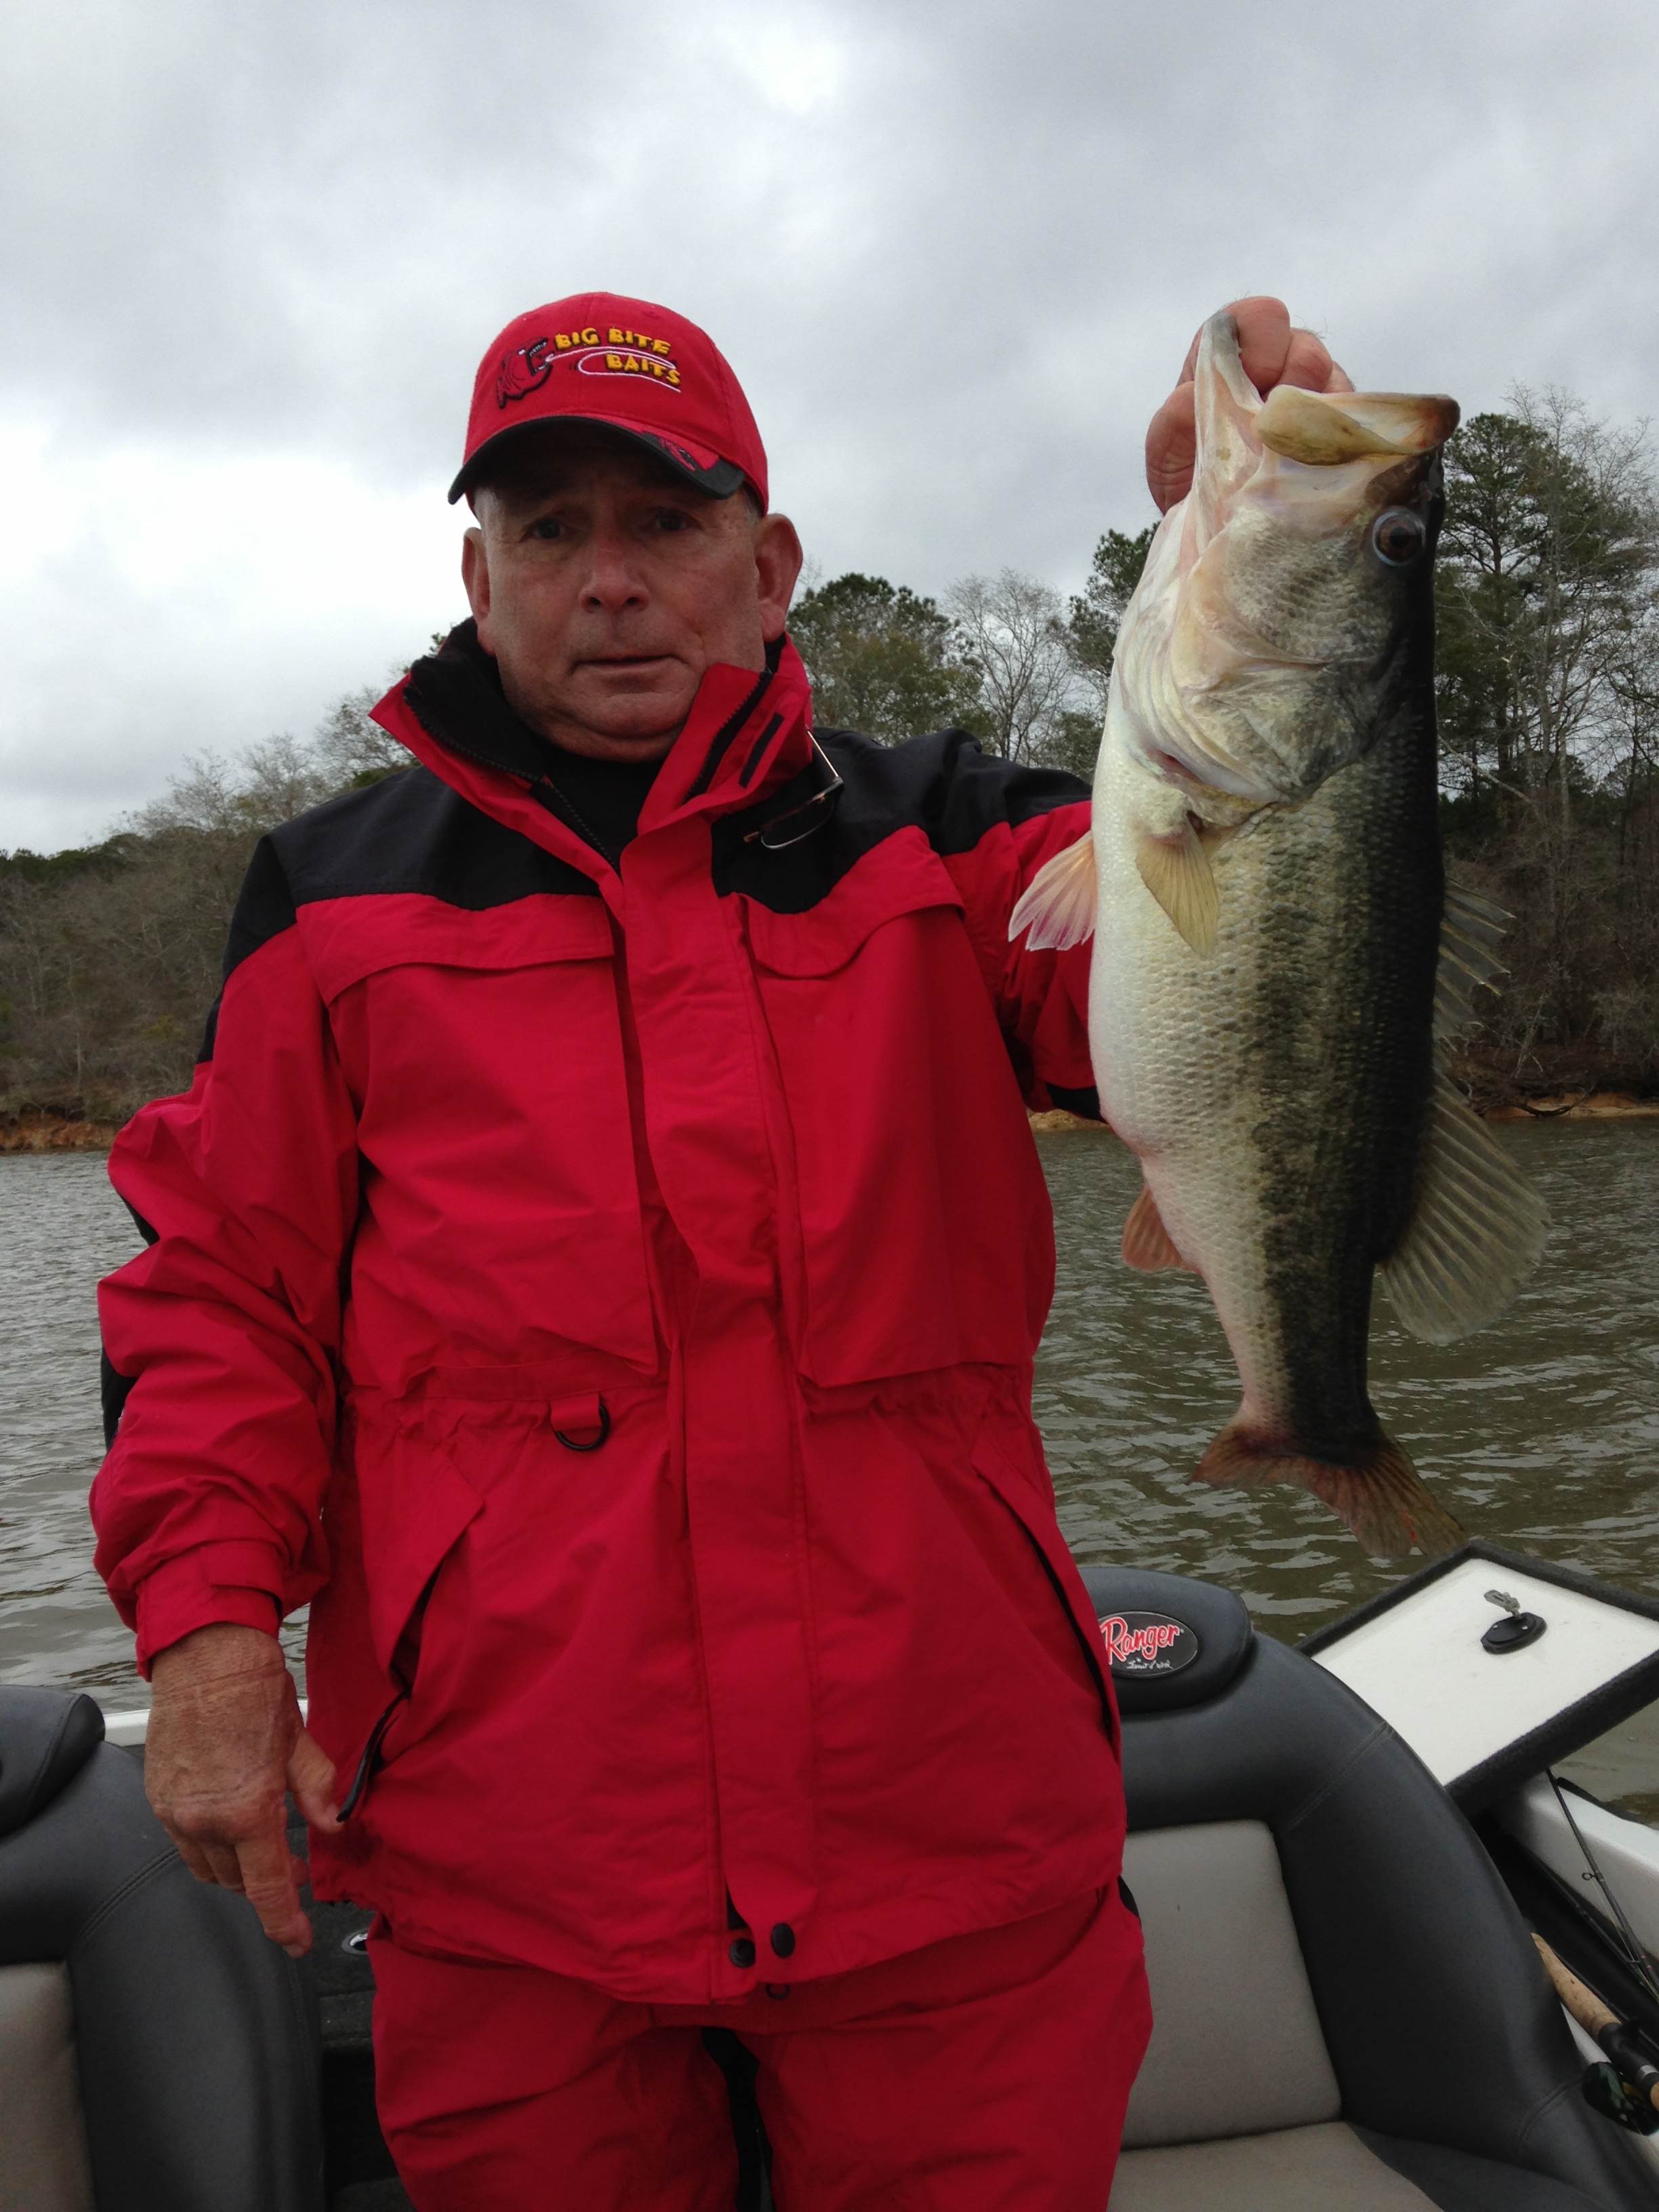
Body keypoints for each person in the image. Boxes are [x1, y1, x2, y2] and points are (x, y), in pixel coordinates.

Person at [92, 290, 1347, 2210]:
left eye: (666, 524)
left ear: (768, 571)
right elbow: (216, 1301)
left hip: (949, 1830)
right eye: (549, 529)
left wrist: (1267, 565)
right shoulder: (327, 900)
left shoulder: (962, 844)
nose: (609, 581)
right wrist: (202, 1639)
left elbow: (1240, 939)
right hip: (507, 1856)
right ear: (479, 579)